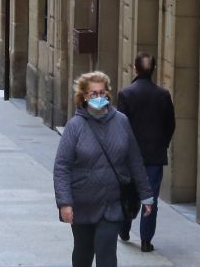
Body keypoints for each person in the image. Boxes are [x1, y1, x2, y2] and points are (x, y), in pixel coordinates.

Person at [53, 72, 153, 267]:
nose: (98, 97)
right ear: (84, 96)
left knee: (106, 252)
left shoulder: (122, 122)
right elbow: (62, 167)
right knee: (82, 254)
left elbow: (134, 160)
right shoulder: (75, 126)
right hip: (83, 203)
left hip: (112, 203)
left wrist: (146, 195)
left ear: (108, 94)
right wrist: (65, 202)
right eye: (93, 94)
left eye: (102, 92)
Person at [116, 54, 176, 252]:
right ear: (154, 69)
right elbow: (170, 125)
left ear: (134, 68)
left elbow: (120, 126)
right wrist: (162, 145)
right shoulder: (163, 95)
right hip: (154, 156)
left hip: (130, 156)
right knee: (150, 198)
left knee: (128, 193)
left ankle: (124, 230)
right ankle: (146, 240)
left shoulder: (126, 94)